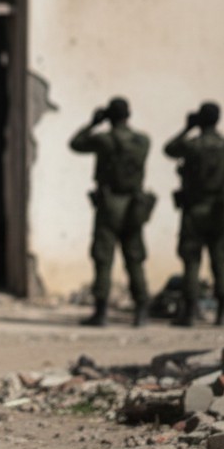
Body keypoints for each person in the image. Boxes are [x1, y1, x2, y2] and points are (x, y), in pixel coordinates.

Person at [70, 97, 154, 326]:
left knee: (103, 258)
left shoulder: (105, 140)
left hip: (110, 204)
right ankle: (141, 310)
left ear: (110, 116)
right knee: (134, 259)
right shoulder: (142, 141)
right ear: (128, 115)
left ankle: (101, 312)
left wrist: (94, 123)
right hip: (134, 205)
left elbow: (76, 143)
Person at [163, 102, 224, 326]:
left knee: (191, 261)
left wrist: (187, 128)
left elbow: (169, 149)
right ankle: (222, 312)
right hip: (219, 210)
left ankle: (190, 312)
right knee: (219, 261)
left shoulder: (192, 145)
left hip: (195, 209)